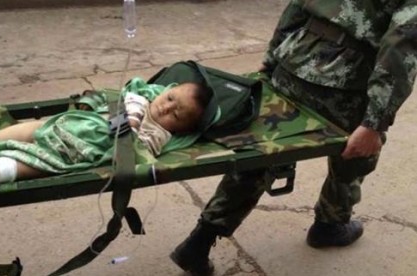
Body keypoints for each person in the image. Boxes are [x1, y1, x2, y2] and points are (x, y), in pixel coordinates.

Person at [170, 1, 417, 275]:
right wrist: (375, 122)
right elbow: (402, 44)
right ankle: (330, 224)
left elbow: (298, 6)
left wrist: (271, 61)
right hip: (346, 82)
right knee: (357, 154)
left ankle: (199, 242)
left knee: (260, 152)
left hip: (293, 62)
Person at [0, 78, 212, 189]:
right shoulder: (146, 95)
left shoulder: (158, 135)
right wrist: (130, 103)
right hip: (71, 124)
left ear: (178, 129)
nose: (165, 108)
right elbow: (133, 89)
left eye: (175, 115)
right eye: (169, 98)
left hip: (81, 148)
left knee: (28, 162)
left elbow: (135, 148)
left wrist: (129, 122)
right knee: (37, 128)